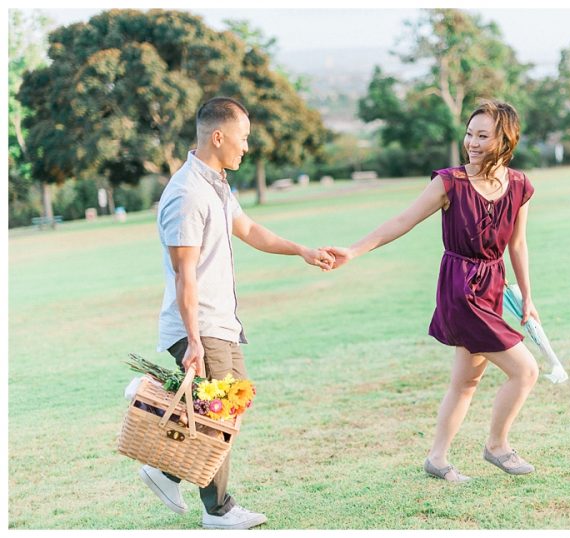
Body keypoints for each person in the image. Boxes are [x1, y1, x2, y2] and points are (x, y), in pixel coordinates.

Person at [142, 97, 334, 529]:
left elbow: (248, 229)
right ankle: (217, 509)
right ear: (218, 137)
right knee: (219, 411)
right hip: (200, 325)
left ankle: (167, 470)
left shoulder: (217, 186)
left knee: (231, 406)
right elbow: (184, 274)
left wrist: (301, 250)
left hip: (220, 324)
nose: (246, 147)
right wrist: (193, 340)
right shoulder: (187, 194)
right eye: (242, 138)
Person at [325, 100, 540, 483]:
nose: (472, 143)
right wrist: (354, 251)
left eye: (483, 136)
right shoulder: (449, 182)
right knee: (525, 371)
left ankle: (437, 459)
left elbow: (518, 244)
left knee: (466, 381)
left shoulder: (520, 185)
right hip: (461, 290)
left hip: (491, 287)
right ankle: (497, 445)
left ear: (505, 141)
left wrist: (527, 296)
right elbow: (403, 220)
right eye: (470, 134)